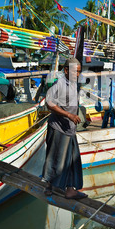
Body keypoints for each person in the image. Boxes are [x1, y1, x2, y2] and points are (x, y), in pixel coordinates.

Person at [41, 57, 87, 199]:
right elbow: (49, 103)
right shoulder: (60, 83)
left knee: (72, 160)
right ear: (66, 70)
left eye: (79, 72)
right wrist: (68, 115)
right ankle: (48, 186)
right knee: (54, 158)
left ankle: (70, 189)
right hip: (58, 128)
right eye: (74, 72)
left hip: (69, 129)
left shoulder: (74, 83)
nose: (77, 74)